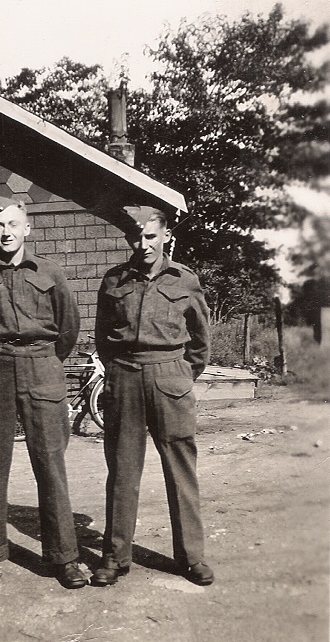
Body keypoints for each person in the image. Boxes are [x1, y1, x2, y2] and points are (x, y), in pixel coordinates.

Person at [0, 189, 87, 590]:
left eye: (12, 224)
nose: (5, 232)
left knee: (50, 464)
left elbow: (68, 329)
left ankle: (64, 558)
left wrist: (42, 359)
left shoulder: (51, 272)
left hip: (41, 367)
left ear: (27, 227)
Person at [92, 205, 213, 586]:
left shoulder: (185, 280)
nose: (142, 244)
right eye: (135, 237)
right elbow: (103, 336)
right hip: (125, 376)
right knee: (123, 470)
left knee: (180, 469)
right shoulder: (114, 280)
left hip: (170, 377)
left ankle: (191, 557)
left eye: (149, 236)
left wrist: (178, 374)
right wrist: (118, 371)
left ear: (165, 237)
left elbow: (200, 340)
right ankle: (115, 557)